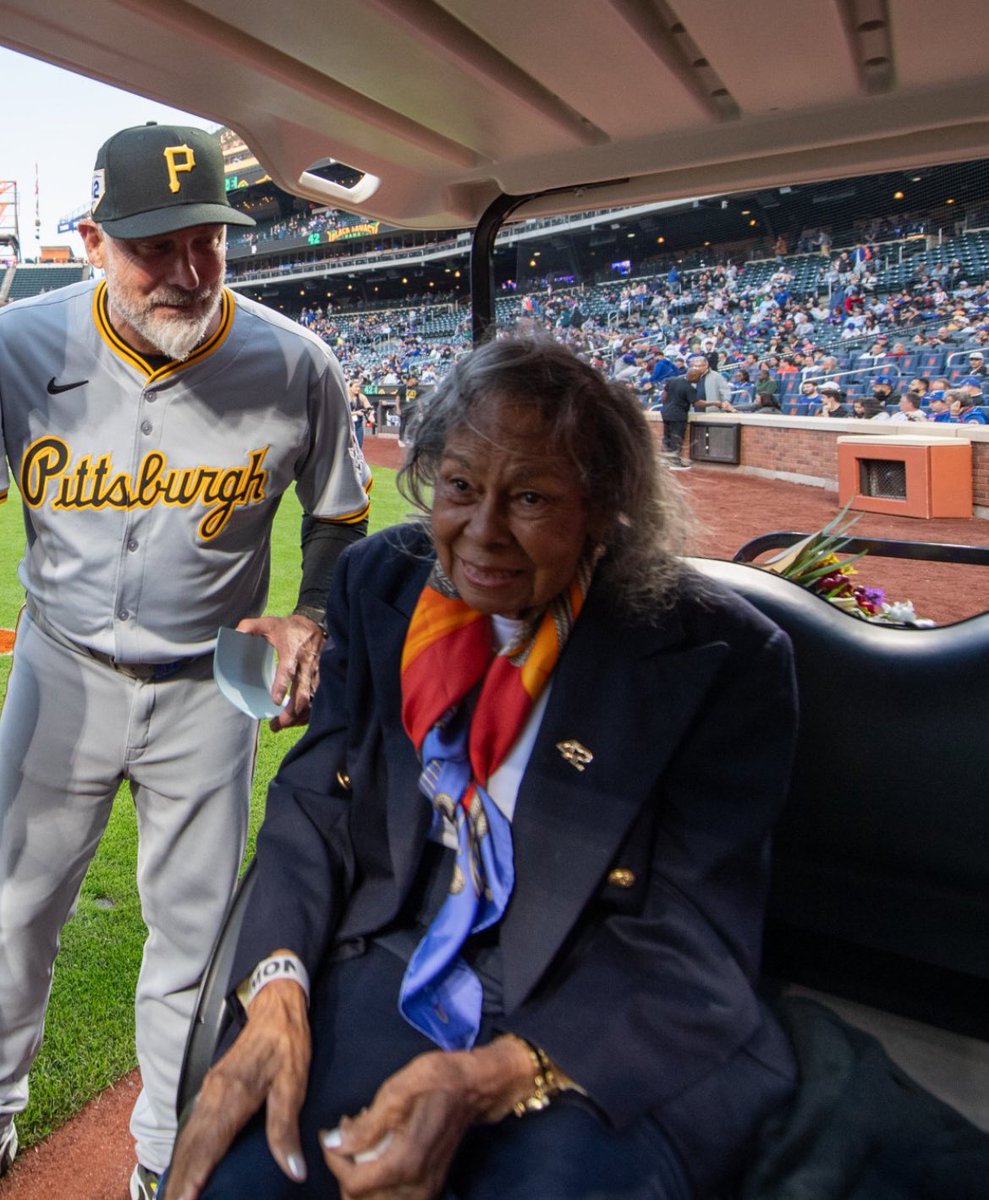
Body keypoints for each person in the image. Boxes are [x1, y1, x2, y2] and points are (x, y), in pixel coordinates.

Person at [164, 335, 797, 1200]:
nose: (482, 532)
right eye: (460, 487)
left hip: (590, 1011)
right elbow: (315, 798)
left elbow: (695, 932)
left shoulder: (720, 656)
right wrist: (274, 989)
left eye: (530, 496)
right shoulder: (381, 581)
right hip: (389, 961)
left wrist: (490, 1077)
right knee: (231, 1183)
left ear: (604, 506)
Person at [0, 123, 371, 1198]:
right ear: (90, 241)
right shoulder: (18, 347)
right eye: (153, 246)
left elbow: (340, 514)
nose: (188, 270)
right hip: (59, 669)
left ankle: (164, 1157)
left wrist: (311, 614)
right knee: (13, 914)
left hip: (210, 688)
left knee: (194, 940)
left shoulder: (295, 360)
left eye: (205, 238)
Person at [660, 356, 702, 469]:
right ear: (692, 376)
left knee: (667, 437)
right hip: (678, 415)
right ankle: (674, 462)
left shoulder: (673, 380)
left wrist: (667, 405)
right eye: (698, 377)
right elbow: (697, 403)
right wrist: (715, 403)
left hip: (666, 412)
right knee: (676, 438)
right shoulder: (689, 388)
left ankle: (665, 460)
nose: (700, 379)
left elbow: (664, 396)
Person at [348, 378, 375, 448]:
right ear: (350, 387)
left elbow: (369, 407)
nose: (358, 389)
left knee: (359, 445)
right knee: (347, 447)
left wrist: (371, 414)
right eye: (356, 387)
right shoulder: (345, 397)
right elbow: (342, 412)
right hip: (347, 426)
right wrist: (356, 413)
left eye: (359, 387)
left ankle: (357, 458)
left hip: (358, 425)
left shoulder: (361, 397)